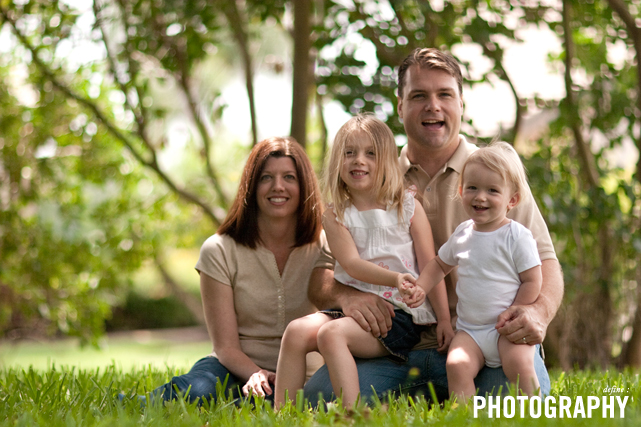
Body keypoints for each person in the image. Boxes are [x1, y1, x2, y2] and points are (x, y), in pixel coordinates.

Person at [303, 48, 564, 405]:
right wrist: (346, 296)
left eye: (445, 94)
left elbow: (546, 263)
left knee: (510, 403)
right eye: (419, 96)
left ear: (461, 104)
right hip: (397, 346)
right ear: (399, 106)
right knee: (318, 396)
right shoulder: (370, 176)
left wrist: (538, 312)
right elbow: (321, 275)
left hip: (484, 340)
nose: (433, 106)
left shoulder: (494, 175)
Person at [273, 115, 453, 409]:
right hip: (353, 310)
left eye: (371, 153)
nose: (359, 160)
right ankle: (282, 415)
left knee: (331, 334)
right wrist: (395, 278)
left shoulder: (407, 206)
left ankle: (352, 414)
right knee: (295, 332)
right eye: (349, 152)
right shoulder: (336, 215)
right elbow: (352, 264)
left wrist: (444, 319)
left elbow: (430, 264)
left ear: (386, 162)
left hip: (398, 315)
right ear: (338, 161)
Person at [147, 136, 330, 405]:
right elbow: (225, 347)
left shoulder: (327, 245)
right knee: (199, 391)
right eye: (266, 177)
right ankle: (135, 403)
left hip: (306, 376)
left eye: (289, 177)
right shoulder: (219, 249)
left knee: (305, 404)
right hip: (233, 370)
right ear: (251, 187)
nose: (278, 186)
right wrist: (257, 374)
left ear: (304, 186)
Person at [416, 141, 542, 400]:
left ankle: (535, 412)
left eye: (492, 190)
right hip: (470, 332)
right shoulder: (463, 234)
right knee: (456, 365)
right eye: (472, 187)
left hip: (506, 330)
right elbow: (439, 264)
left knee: (518, 364)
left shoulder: (516, 236)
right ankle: (465, 415)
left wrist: (516, 310)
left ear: (512, 199)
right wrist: (420, 287)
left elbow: (532, 280)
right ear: (461, 191)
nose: (480, 197)